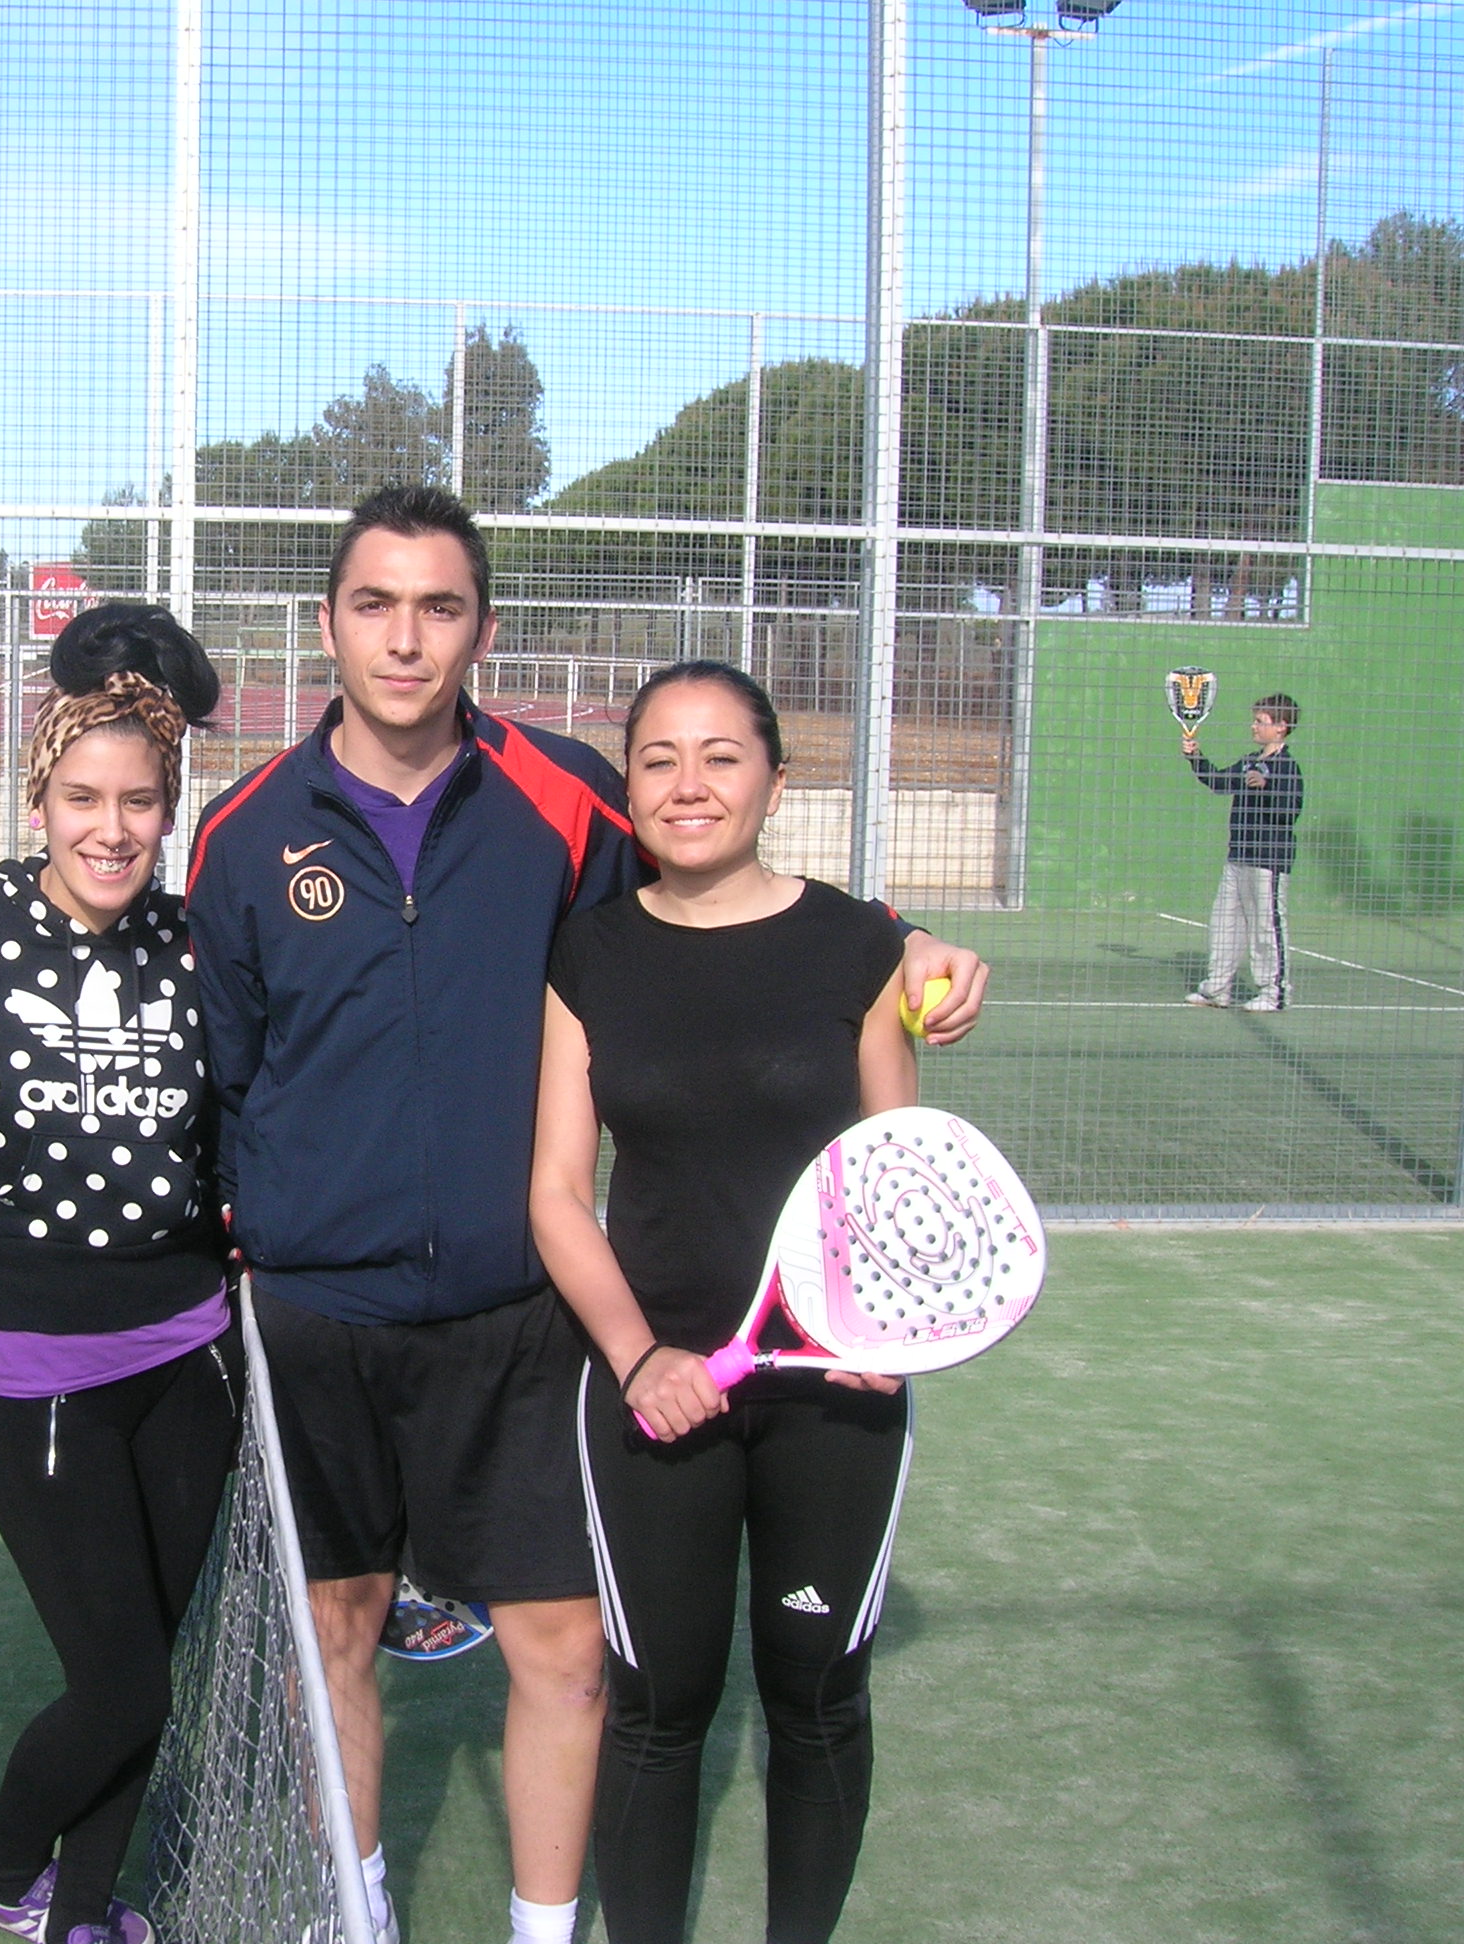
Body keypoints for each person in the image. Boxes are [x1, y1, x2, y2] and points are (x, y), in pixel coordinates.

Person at [183, 486, 986, 1944]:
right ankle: (355, 1911)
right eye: (375, 605)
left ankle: (544, 1929)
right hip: (322, 1315)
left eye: (439, 607)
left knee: (562, 1651)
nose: (406, 639)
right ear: (327, 627)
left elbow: (718, 871)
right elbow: (232, 1066)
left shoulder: (565, 793)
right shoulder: (243, 833)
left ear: (481, 630)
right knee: (336, 1632)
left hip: (521, 1316)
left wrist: (898, 934)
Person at [530, 661, 916, 1944]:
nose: (688, 785)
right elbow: (556, 1192)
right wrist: (640, 1358)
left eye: (721, 756)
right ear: (629, 784)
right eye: (658, 758)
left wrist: (879, 1327)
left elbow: (899, 1170)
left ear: (776, 782)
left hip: (834, 1393)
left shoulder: (861, 948)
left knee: (819, 1700)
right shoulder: (588, 952)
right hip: (655, 1393)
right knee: (658, 1707)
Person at [0, 603, 236, 1944]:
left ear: (169, 811)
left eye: (140, 802)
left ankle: (83, 1911)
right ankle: (7, 1865)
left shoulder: (198, 946)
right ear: (39, 798)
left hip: (192, 1357)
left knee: (147, 1659)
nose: (111, 829)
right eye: (83, 799)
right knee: (121, 1685)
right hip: (40, 1370)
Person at [1182, 694, 1303, 1012]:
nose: (1253, 726)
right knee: (1224, 923)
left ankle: (1275, 993)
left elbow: (1290, 812)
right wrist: (1196, 757)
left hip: (1268, 862)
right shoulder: (1250, 761)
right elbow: (1219, 782)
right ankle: (1217, 989)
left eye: (1260, 722)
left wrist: (1267, 786)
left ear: (1281, 727)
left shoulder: (1287, 767)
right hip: (1237, 858)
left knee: (1266, 926)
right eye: (1254, 720)